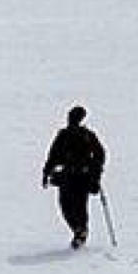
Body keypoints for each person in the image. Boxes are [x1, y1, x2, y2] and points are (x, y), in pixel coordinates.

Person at [42, 105, 106, 248]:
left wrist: (95, 174)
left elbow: (99, 155)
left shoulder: (87, 135)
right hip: (67, 176)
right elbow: (53, 155)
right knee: (65, 205)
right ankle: (78, 230)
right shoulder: (63, 135)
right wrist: (46, 172)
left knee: (79, 205)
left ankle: (81, 232)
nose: (71, 120)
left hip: (82, 176)